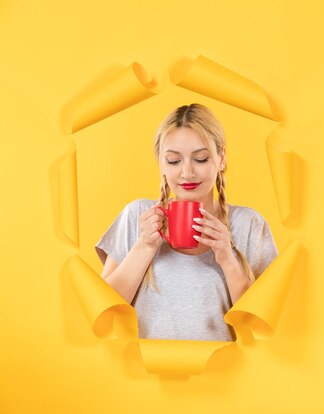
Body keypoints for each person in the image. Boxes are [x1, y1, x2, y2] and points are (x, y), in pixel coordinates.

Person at [94, 103, 279, 341]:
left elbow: (262, 326)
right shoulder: (136, 216)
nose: (187, 173)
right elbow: (104, 312)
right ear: (161, 163)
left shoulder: (249, 225)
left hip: (225, 373)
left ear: (221, 159)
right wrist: (145, 246)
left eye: (200, 159)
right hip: (145, 373)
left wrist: (227, 259)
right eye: (173, 161)